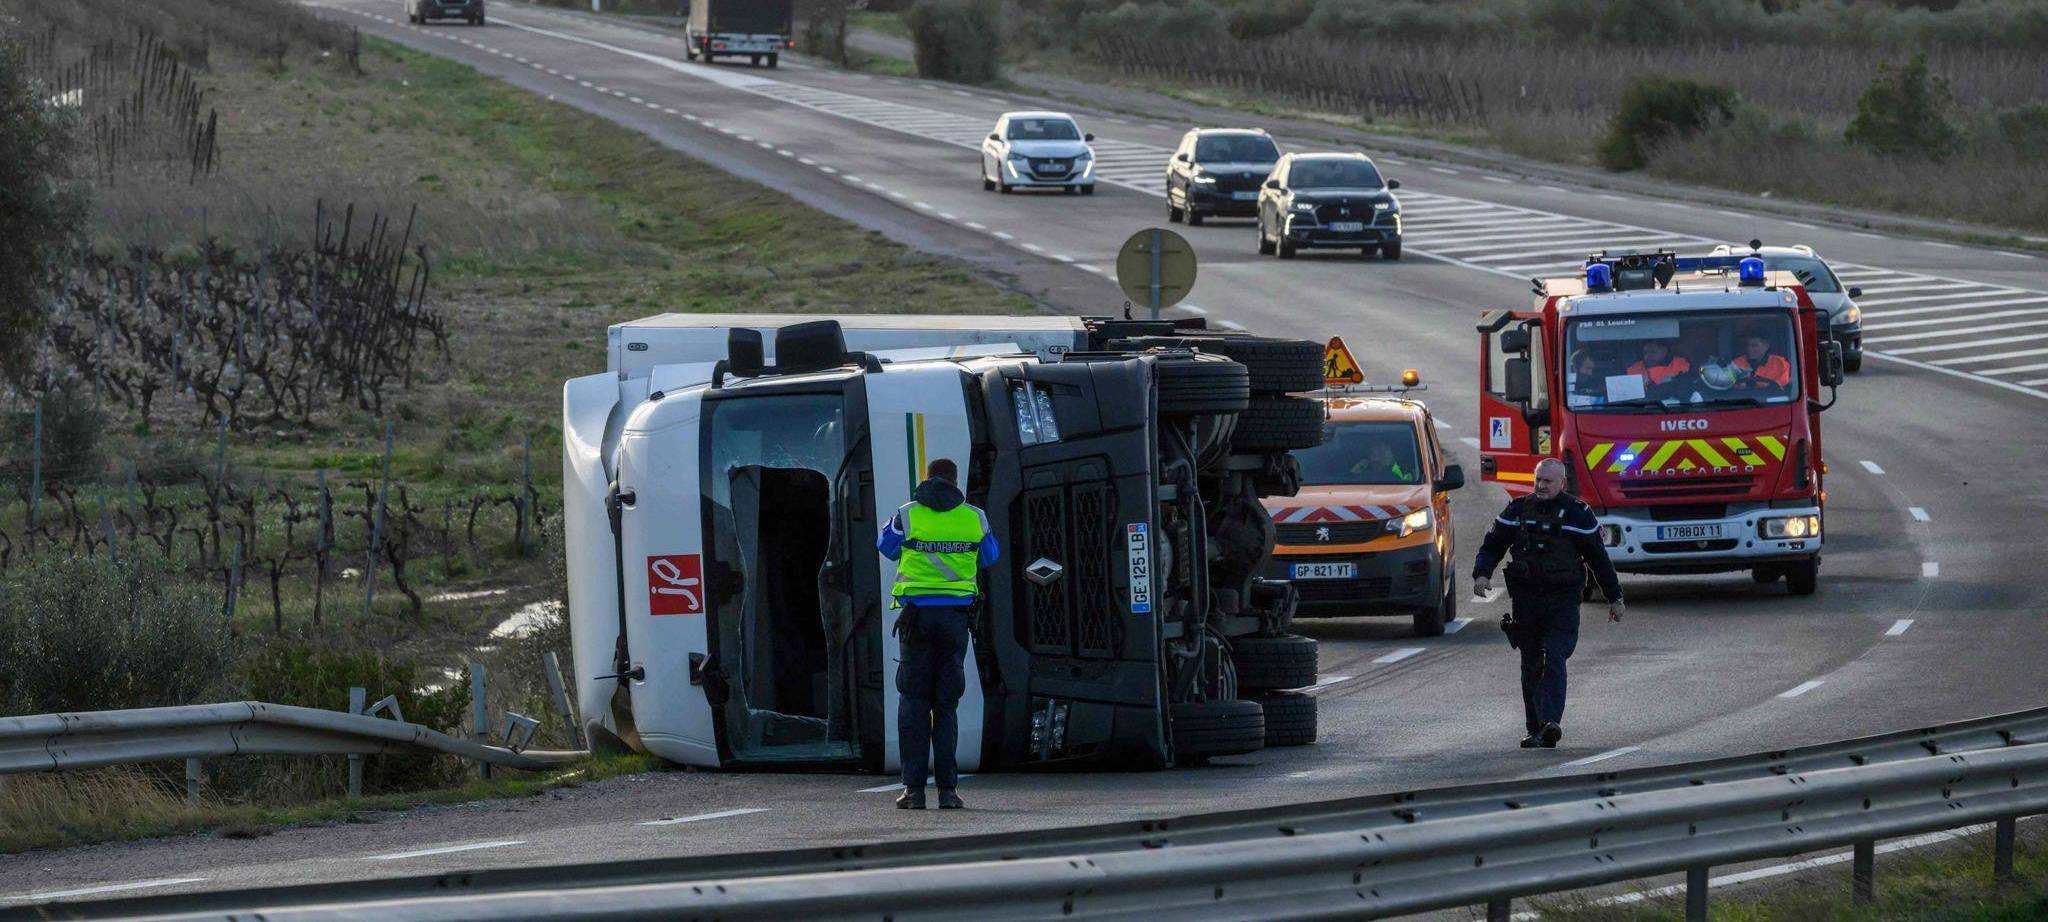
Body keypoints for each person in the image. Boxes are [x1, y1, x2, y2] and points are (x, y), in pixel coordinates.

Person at [1471, 458, 1624, 749]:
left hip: (1563, 599)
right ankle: (1536, 728)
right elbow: (1493, 544)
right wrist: (1481, 574)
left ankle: (1551, 721)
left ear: (1561, 484)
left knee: (1555, 655)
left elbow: (1598, 559)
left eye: (1547, 481)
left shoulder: (1578, 515)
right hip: (1527, 600)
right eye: (1538, 480)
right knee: (1531, 664)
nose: (1541, 486)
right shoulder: (1517, 510)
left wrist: (1614, 597)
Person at [875, 458, 998, 810]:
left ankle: (913, 791)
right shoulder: (974, 517)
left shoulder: (908, 514)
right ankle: (948, 792)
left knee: (913, 703)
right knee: (946, 705)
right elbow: (990, 556)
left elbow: (884, 546)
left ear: (927, 478)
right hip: (955, 622)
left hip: (916, 621)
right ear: (955, 480)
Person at [1349, 437, 1414, 482]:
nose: (1379, 454)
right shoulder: (1364, 470)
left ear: (1392, 453)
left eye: (1383, 450)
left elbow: (1409, 485)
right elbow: (1350, 479)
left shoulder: (1402, 469)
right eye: (1374, 451)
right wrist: (1360, 466)